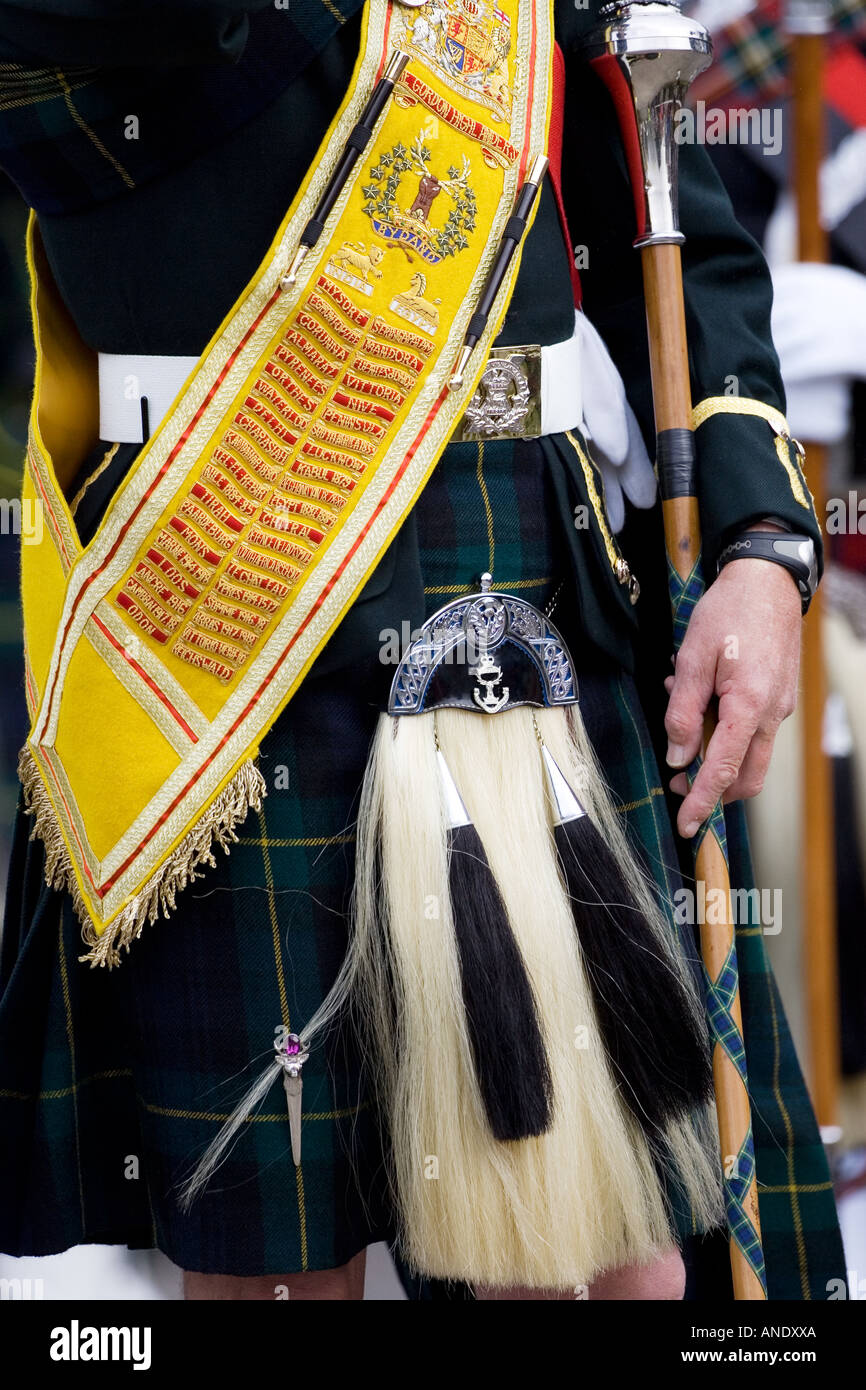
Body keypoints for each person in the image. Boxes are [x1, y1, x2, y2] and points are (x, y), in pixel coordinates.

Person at [0, 0, 845, 1301]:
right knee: (274, 1268)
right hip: (228, 594)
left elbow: (659, 218)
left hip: (521, 573)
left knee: (604, 1256)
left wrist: (755, 539)